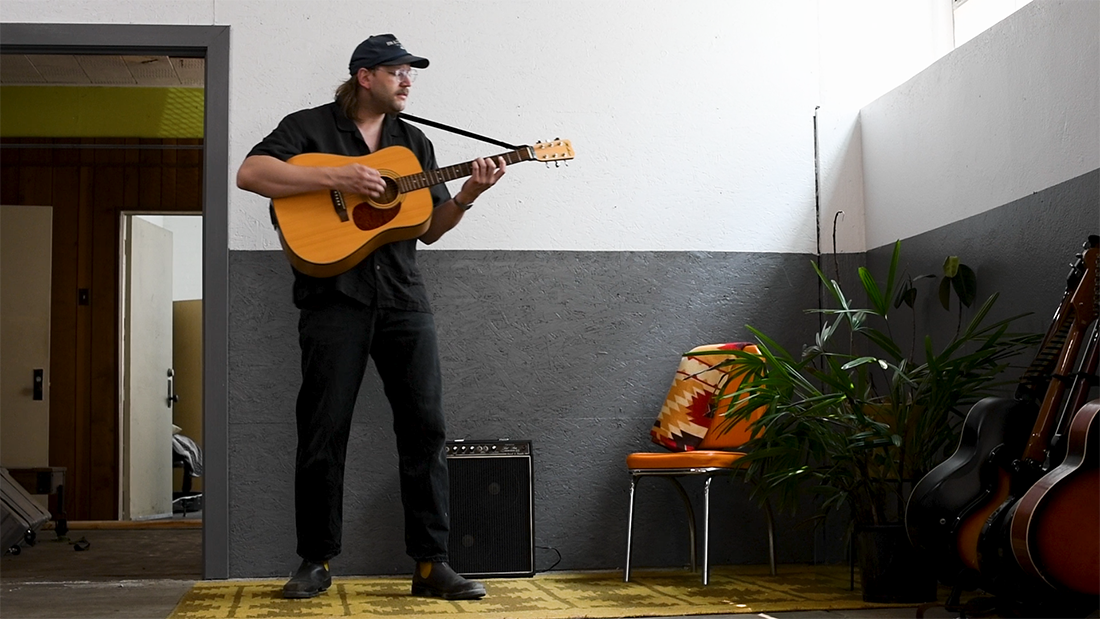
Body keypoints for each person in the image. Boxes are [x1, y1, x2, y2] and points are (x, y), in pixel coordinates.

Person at [236, 33, 506, 601]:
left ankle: (431, 565)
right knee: (324, 428)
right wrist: (338, 177)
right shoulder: (309, 128)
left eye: (412, 73)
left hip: (404, 299)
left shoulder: (413, 144)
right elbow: (251, 174)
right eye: (397, 71)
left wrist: (468, 196)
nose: (408, 81)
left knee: (425, 429)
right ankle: (315, 560)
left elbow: (429, 228)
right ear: (365, 77)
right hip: (333, 298)